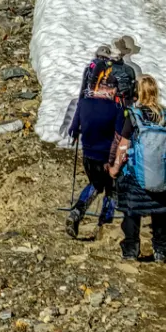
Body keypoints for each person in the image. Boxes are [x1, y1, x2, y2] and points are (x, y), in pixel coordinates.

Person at [110, 75, 166, 262]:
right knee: (160, 212)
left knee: (132, 211)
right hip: (161, 175)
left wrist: (115, 167)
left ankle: (131, 249)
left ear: (139, 92)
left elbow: (123, 146)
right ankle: (160, 250)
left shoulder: (134, 116)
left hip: (136, 175)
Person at [65, 71, 125, 238]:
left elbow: (73, 128)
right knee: (110, 189)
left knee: (96, 184)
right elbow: (121, 135)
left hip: (88, 155)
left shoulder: (83, 103)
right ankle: (103, 224)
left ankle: (78, 213)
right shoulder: (116, 108)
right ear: (112, 89)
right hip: (107, 155)